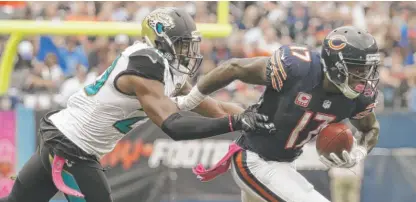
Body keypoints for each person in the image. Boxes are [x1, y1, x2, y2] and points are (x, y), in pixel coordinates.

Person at [0, 8, 273, 202]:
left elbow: (212, 105)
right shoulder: (146, 65)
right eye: (181, 45)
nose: (188, 53)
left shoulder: (165, 68)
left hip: (61, 140)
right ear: (160, 42)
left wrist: (258, 118)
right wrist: (234, 123)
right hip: (72, 148)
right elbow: (174, 126)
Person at [175, 26, 381, 202]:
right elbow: (234, 67)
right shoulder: (299, 68)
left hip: (284, 166)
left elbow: (370, 128)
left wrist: (359, 152)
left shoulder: (358, 98)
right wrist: (190, 98)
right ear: (336, 66)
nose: (364, 79)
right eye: (359, 70)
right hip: (254, 159)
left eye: (368, 70)